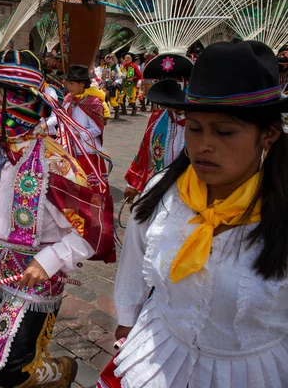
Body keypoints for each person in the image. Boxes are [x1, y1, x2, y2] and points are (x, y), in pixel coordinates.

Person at [114, 41, 288, 388]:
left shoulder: (280, 212)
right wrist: (126, 320)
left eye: (224, 132)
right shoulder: (163, 193)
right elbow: (134, 264)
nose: (204, 145)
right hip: (158, 353)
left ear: (267, 134)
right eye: (194, 128)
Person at [0, 50, 116, 387]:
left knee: (6, 369)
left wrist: (50, 260)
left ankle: (59, 372)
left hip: (34, 280)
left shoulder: (57, 164)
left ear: (14, 101)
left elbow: (94, 232)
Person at [124, 52, 194, 203]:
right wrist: (133, 183)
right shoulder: (158, 117)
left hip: (192, 194)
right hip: (160, 189)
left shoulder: (199, 121)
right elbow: (145, 151)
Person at [63, 64, 109, 179]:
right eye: (68, 83)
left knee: (87, 184)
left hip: (87, 150)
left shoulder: (93, 103)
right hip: (71, 148)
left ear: (82, 83)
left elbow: (97, 129)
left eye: (72, 84)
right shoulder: (69, 99)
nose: (68, 87)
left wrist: (80, 135)